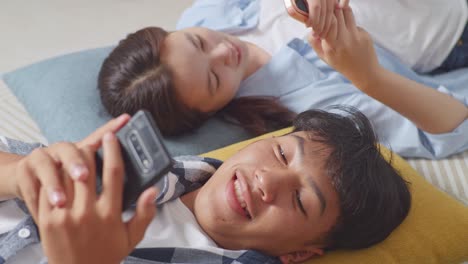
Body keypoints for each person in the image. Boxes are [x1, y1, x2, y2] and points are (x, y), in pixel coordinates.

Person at [0, 108, 411, 264]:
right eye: (283, 155)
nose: (267, 180)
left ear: (299, 253)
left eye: (301, 199)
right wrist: (20, 175)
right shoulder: (145, 167)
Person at [97, 3, 468, 160]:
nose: (224, 52)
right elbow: (450, 128)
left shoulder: (206, 13)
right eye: (214, 79)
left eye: (198, 41)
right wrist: (369, 77)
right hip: (452, 30)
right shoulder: (305, 101)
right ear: (210, 111)